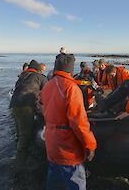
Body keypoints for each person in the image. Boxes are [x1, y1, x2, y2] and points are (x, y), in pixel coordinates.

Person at [40, 53, 97, 190]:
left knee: (54, 178)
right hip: (68, 148)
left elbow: (44, 109)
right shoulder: (71, 88)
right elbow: (79, 122)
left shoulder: (48, 86)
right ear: (71, 69)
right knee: (75, 183)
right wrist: (90, 145)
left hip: (51, 142)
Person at [9, 60, 48, 183]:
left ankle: (20, 156)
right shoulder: (40, 77)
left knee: (20, 134)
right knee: (25, 139)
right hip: (26, 107)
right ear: (37, 69)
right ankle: (20, 172)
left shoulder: (22, 77)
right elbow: (48, 93)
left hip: (14, 107)